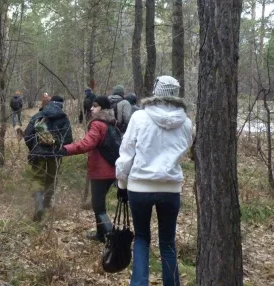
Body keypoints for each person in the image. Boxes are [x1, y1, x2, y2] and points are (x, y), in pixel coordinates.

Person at [115, 76, 193, 286]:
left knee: (141, 238)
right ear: (176, 95)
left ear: (156, 92)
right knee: (167, 243)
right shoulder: (186, 122)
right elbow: (184, 149)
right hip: (171, 188)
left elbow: (126, 153)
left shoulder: (139, 117)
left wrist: (122, 184)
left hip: (140, 187)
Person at [59, 96, 118, 242]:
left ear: (103, 109)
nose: (91, 108)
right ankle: (100, 235)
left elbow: (86, 144)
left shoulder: (98, 124)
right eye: (92, 106)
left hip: (101, 172)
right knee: (99, 204)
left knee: (98, 206)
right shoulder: (111, 123)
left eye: (95, 106)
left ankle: (112, 238)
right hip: (111, 170)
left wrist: (65, 149)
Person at [24, 95, 73, 221]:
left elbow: (27, 135)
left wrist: (33, 148)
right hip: (55, 154)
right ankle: (46, 202)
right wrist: (60, 149)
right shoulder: (64, 118)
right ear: (61, 105)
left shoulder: (38, 115)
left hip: (38, 153)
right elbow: (68, 140)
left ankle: (39, 205)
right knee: (52, 178)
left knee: (37, 178)